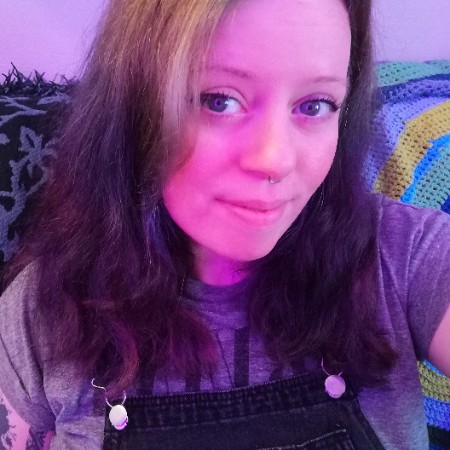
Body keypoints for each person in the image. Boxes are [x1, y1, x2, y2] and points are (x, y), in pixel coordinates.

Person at [1, 0, 449, 448]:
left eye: (315, 105)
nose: (274, 158)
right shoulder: (42, 310)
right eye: (219, 100)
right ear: (133, 107)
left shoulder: (403, 256)